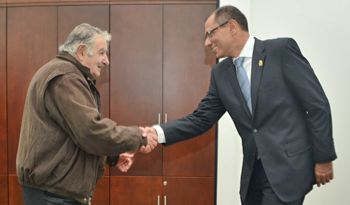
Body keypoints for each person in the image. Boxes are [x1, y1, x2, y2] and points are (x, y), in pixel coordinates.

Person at [142, 5, 337, 205]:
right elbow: (201, 119)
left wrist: (323, 157)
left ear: (232, 26)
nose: (207, 42)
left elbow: (316, 105)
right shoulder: (220, 73)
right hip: (254, 174)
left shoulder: (280, 51)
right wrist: (158, 132)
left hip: (288, 168)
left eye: (210, 34)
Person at [16, 23, 157, 205]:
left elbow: (74, 136)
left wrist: (112, 156)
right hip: (53, 196)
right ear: (81, 51)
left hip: (54, 191)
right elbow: (90, 131)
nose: (106, 60)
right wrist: (140, 136)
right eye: (101, 53)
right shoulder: (65, 77)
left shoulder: (64, 73)